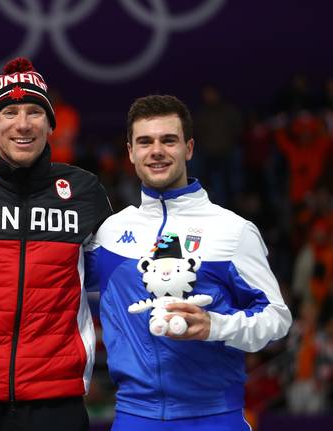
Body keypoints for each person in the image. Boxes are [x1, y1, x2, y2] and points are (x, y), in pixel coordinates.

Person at [85, 95, 292, 430]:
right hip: (134, 418)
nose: (157, 150)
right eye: (145, 141)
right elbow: (57, 276)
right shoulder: (111, 232)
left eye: (169, 140)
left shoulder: (233, 231)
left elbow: (276, 318)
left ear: (189, 148)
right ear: (131, 152)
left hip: (214, 417)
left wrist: (216, 326)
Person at [0, 57, 112, 431]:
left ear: (50, 125)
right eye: (10, 111)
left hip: (56, 398)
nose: (23, 123)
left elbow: (111, 280)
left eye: (35, 111)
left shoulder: (84, 190)